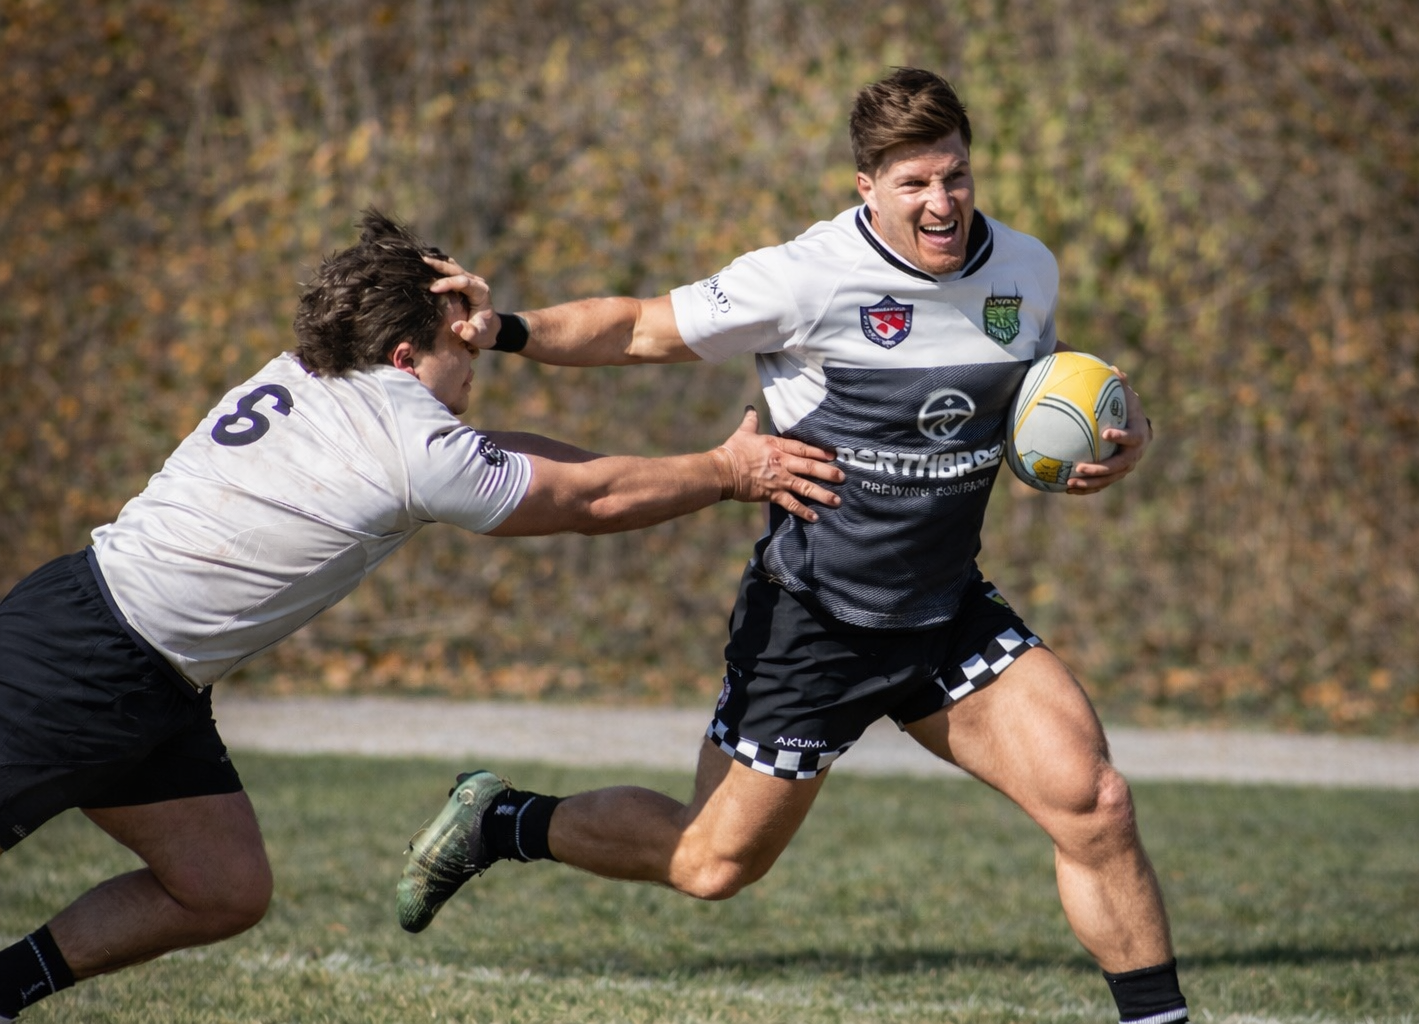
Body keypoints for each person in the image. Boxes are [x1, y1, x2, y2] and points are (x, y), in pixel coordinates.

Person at [398, 68, 1186, 1024]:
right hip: (813, 622)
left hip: (944, 610)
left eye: (956, 176)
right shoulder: (808, 276)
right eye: (915, 184)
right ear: (867, 186)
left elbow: (1055, 394)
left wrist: (1122, 425)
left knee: (1093, 802)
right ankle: (504, 821)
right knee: (710, 863)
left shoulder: (1026, 267)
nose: (942, 203)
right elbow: (643, 328)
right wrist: (507, 330)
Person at [0, 210, 842, 1022]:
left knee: (219, 887)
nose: (473, 362)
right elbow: (594, 500)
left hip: (146, 669)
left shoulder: (311, 371)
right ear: (407, 356)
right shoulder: (411, 444)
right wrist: (728, 472)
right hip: (81, 663)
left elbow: (522, 461)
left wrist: (684, 464)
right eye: (457, 344)